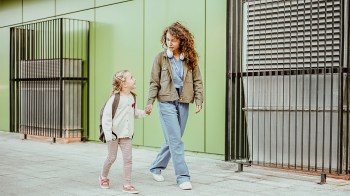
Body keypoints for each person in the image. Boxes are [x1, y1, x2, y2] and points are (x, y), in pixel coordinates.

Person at [146, 22, 204, 190]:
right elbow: (154, 82)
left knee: (172, 140)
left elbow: (197, 81)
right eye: (167, 39)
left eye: (173, 40)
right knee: (176, 140)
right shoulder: (160, 58)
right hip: (166, 102)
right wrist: (150, 101)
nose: (169, 43)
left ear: (182, 41)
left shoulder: (190, 59)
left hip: (184, 102)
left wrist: (199, 100)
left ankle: (156, 167)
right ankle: (183, 177)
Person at [99, 70, 148, 194]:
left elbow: (134, 113)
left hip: (126, 135)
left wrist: (144, 113)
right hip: (114, 135)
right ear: (124, 84)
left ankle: (127, 184)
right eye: (131, 78)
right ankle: (103, 177)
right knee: (111, 157)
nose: (134, 79)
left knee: (128, 159)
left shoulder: (132, 97)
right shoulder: (114, 99)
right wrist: (109, 135)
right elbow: (106, 117)